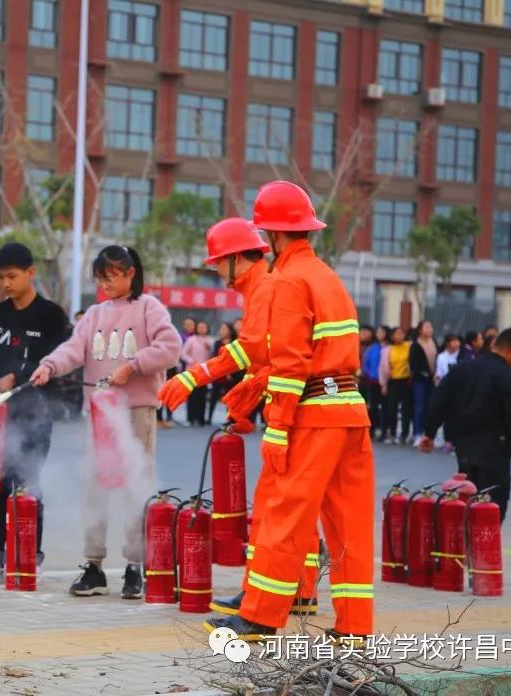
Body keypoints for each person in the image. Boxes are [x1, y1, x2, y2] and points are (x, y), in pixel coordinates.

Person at [216, 180, 373, 643]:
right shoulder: (328, 277)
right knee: (349, 526)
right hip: (351, 411)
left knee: (284, 515)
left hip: (315, 415)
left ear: (270, 234)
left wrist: (278, 427)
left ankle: (260, 617)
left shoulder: (288, 280)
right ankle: (354, 627)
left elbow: (290, 363)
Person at [159, 219, 319, 622]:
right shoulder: (262, 288)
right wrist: (245, 403)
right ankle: (295, 591)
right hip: (295, 411)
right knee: (289, 508)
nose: (215, 270)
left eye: (217, 262)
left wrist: (194, 376)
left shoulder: (265, 288)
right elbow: (262, 357)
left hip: (296, 415)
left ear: (234, 259)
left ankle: (267, 597)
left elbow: (251, 351)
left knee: (272, 510)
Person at [31, 244, 181, 599]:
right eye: (101, 278)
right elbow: (74, 348)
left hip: (137, 412)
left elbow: (170, 347)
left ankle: (134, 566)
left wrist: (133, 366)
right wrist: (49, 365)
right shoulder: (95, 315)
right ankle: (93, 565)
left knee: (135, 487)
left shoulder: (149, 307)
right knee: (94, 488)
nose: (105, 284)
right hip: (100, 414)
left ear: (131, 273)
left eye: (111, 276)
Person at [0, 242, 69, 586]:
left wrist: (19, 375)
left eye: (12, 276)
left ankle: (27, 556)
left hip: (35, 415)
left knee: (27, 483)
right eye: (1, 277)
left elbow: (57, 361)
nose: (6, 283)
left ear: (30, 273)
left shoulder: (52, 316)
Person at [421, 328, 511, 521]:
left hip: (463, 446)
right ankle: (485, 538)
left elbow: (438, 400)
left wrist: (429, 433)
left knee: (466, 496)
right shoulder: (509, 380)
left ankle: (465, 536)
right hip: (494, 448)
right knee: (492, 504)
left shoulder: (462, 369)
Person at [379, 326, 412, 444]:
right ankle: (392, 433)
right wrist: (383, 384)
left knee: (406, 408)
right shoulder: (387, 350)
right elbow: (382, 368)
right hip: (392, 381)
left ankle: (404, 434)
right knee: (391, 408)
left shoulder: (409, 346)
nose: (399, 336)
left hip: (406, 381)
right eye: (397, 334)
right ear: (392, 336)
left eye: (401, 333)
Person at [409, 320, 438, 446]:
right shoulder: (415, 344)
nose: (430, 329)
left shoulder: (434, 342)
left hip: (432, 380)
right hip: (419, 380)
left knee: (430, 407)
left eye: (431, 327)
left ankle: (428, 434)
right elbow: (414, 364)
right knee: (419, 407)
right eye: (427, 327)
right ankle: (417, 434)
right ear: (420, 330)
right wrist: (424, 373)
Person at [180, 321, 215, 426]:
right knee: (192, 395)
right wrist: (191, 361)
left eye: (204, 327)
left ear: (207, 329)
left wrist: (209, 348)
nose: (201, 329)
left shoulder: (210, 341)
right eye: (199, 327)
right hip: (192, 370)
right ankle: (190, 419)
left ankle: (201, 419)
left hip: (204, 372)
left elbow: (214, 354)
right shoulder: (192, 339)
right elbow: (183, 353)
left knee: (202, 396)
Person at [207, 322, 236, 424]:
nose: (222, 331)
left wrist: (230, 372)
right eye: (221, 329)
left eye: (224, 329)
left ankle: (229, 419)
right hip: (218, 374)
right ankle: (208, 418)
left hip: (230, 374)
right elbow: (215, 357)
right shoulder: (217, 343)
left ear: (230, 331)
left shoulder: (235, 342)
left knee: (229, 398)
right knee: (213, 397)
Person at [362, 326, 387, 436]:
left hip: (386, 382)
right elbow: (366, 363)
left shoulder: (388, 348)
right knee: (373, 406)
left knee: (386, 407)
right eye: (378, 332)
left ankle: (384, 430)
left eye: (381, 332)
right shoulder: (373, 348)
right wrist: (369, 374)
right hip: (373, 381)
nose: (379, 334)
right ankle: (372, 429)